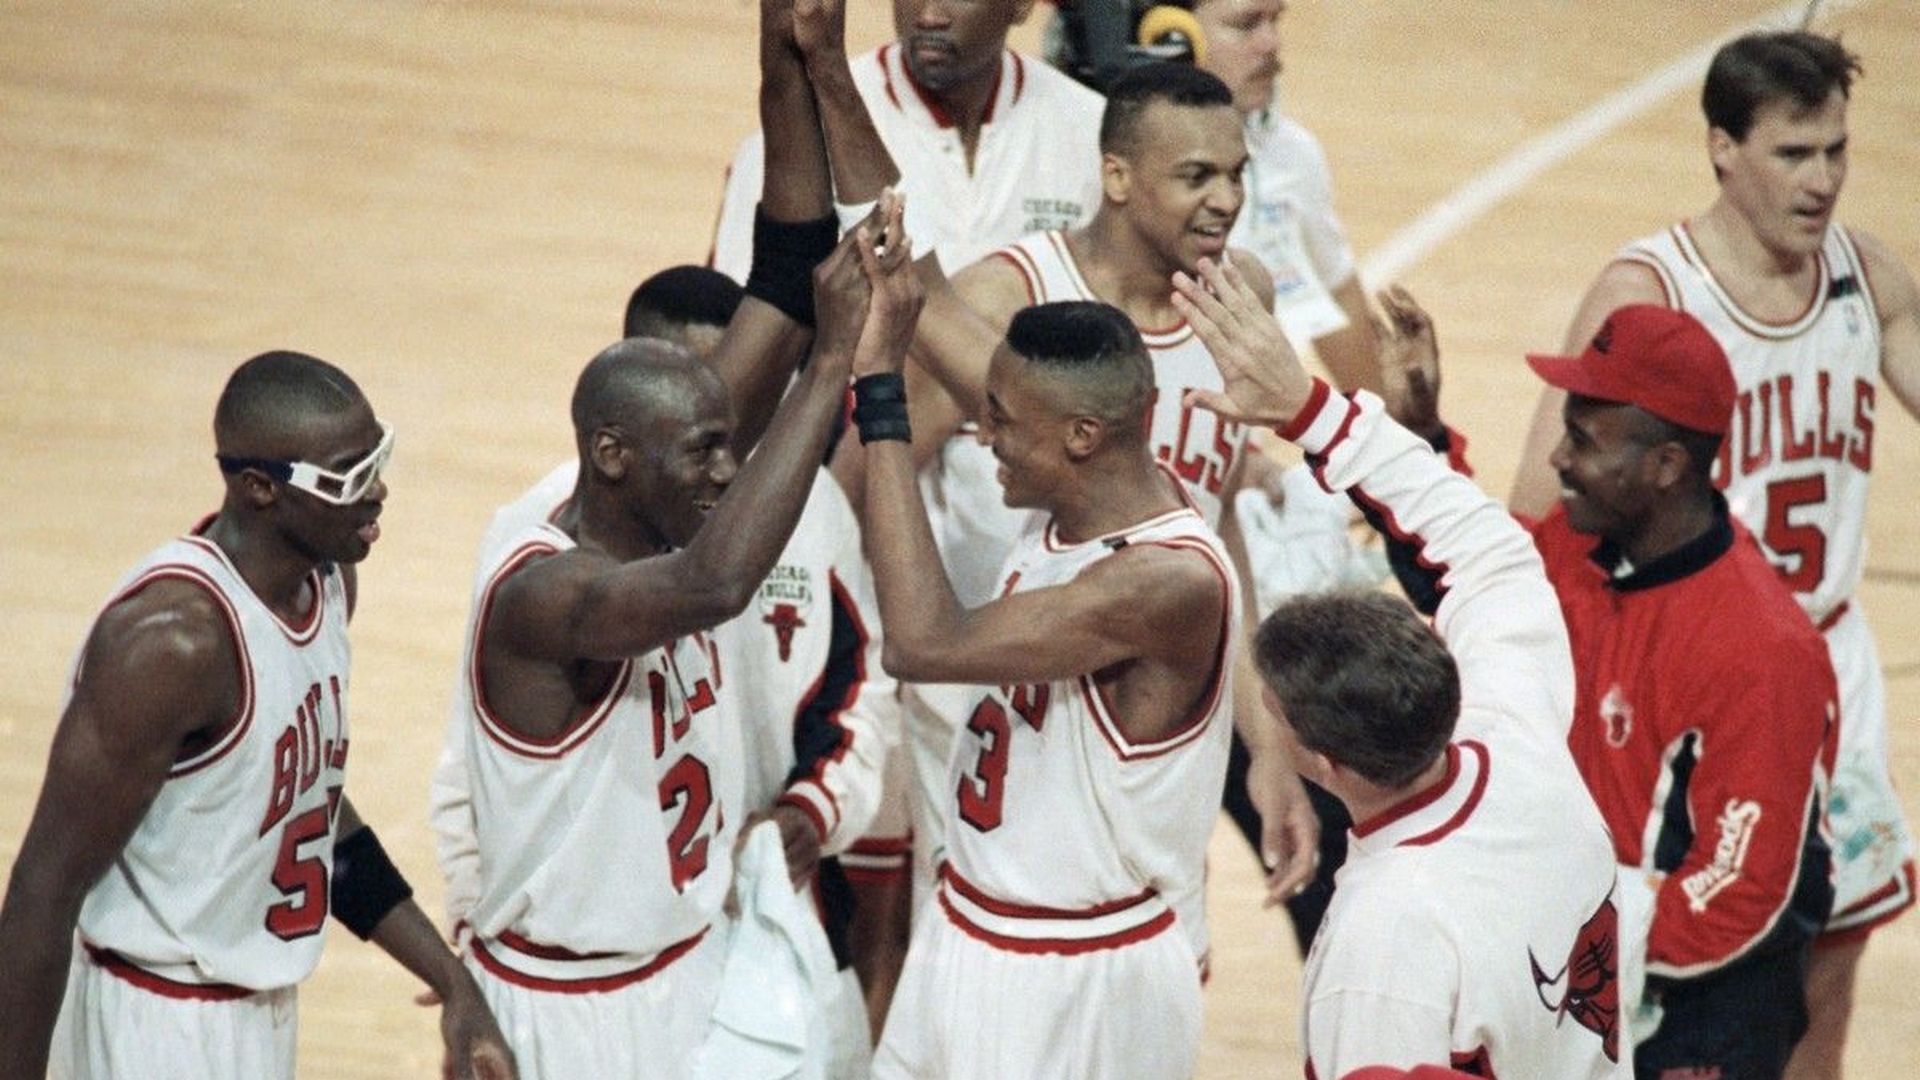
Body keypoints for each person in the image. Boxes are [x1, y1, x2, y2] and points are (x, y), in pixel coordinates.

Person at [801, 25, 1322, 944]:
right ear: (1117, 177)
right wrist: (824, 664)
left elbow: (1216, 526)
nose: (1226, 200)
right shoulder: (1012, 298)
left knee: (1148, 963)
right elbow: (861, 478)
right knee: (982, 962)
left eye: (1236, 175)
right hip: (991, 690)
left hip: (1148, 719)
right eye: (1197, 176)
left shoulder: (1240, 296)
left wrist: (1267, 743)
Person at [1506, 31, 1918, 1077]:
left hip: (1825, 664)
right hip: (1690, 674)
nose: (1822, 180)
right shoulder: (1650, 293)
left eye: (1835, 151)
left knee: (1827, 979)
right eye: (1794, 153)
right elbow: (1539, 508)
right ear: (1723, 149)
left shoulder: (1864, 275)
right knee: (1689, 976)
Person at [427, 264, 897, 1076]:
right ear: (613, 453)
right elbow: (717, 585)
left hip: (696, 964)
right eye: (703, 448)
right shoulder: (546, 587)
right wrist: (833, 360)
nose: (729, 471)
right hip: (568, 1003)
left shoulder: (690, 537)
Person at [0, 351, 515, 1080]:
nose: (377, 493)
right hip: (153, 1023)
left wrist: (451, 979)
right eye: (347, 478)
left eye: (378, 461)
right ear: (259, 488)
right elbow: (42, 892)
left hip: (256, 1013)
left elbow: (306, 809)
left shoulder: (328, 583)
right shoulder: (173, 645)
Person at [1170, 257, 1624, 1077]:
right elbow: (1488, 553)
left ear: (1326, 764)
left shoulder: (1381, 951)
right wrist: (1311, 411)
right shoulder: (1517, 738)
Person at [1393, 289, 1839, 1077]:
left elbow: (1738, 894)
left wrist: (1564, 946)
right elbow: (1467, 579)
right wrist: (1420, 438)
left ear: (1666, 466)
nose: (1558, 460)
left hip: (1698, 1020)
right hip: (1585, 978)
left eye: (1583, 440)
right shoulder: (1578, 548)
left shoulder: (1763, 651)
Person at [859, 299, 1237, 1079]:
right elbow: (968, 349)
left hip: (1075, 971)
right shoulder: (1077, 489)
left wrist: (880, 393)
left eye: (998, 420)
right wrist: (890, 274)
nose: (981, 435)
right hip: (969, 922)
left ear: (1082, 436)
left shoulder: (1162, 583)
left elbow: (920, 643)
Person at [711, 0, 1106, 283]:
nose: (928, 16)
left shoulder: (1095, 130)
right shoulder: (796, 133)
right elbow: (746, 318)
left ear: (1021, 6)